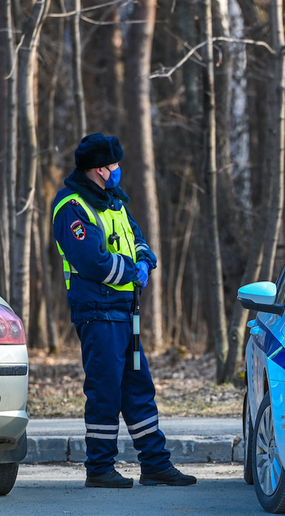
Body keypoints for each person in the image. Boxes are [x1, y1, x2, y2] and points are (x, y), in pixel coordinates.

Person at [52, 133, 196, 488]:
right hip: (97, 314)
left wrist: (145, 258)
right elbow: (92, 262)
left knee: (137, 386)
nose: (118, 170)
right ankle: (99, 468)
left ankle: (154, 463)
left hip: (123, 314)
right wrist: (134, 272)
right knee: (105, 390)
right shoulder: (71, 207)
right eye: (114, 165)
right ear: (100, 169)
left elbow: (136, 236)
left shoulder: (114, 202)